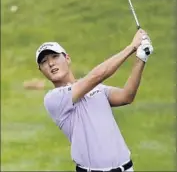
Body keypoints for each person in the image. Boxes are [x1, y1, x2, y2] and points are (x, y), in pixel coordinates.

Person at [35, 29, 153, 172]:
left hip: (126, 168)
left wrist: (141, 58)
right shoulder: (53, 99)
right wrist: (132, 47)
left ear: (67, 58)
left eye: (54, 56)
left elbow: (126, 96)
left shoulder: (97, 88)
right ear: (41, 70)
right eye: (44, 62)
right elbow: (97, 76)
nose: (51, 64)